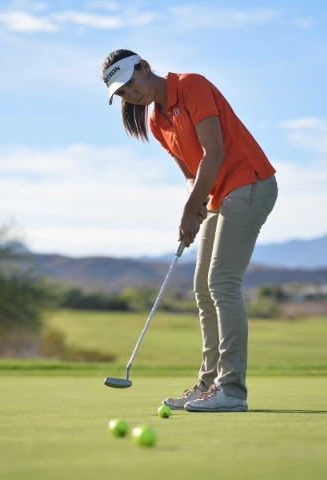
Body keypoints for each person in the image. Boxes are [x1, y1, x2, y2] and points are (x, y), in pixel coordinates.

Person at [101, 49, 278, 412]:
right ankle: (209, 384)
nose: (130, 95)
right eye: (122, 93)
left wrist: (189, 209)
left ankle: (232, 390)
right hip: (218, 195)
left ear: (145, 68)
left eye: (130, 84)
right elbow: (190, 175)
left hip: (249, 182)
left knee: (222, 282)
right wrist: (194, 207)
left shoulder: (191, 85)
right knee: (202, 288)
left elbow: (213, 154)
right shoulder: (156, 121)